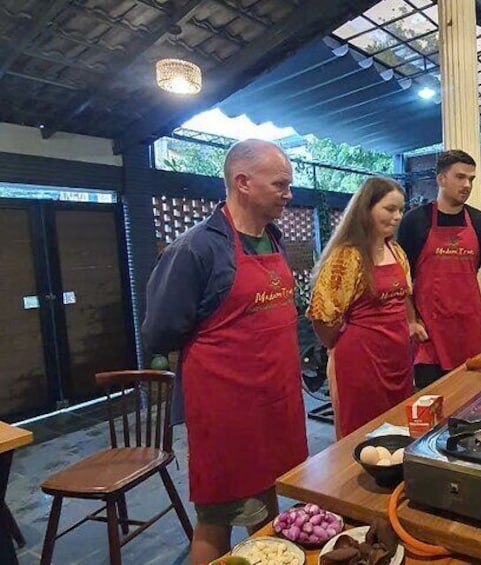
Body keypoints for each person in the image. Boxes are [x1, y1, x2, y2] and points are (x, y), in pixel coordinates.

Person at [142, 139, 308, 564]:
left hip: (278, 401)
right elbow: (159, 332)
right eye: (281, 184)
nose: (289, 194)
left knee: (266, 507)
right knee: (218, 520)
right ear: (243, 182)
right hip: (229, 412)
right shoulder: (195, 248)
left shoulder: (273, 238)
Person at [308, 177, 414, 438]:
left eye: (400, 209)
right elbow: (323, 318)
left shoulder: (396, 250)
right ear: (366, 209)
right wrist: (340, 345)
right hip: (362, 361)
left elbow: (404, 297)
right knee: (363, 434)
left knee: (397, 429)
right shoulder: (347, 256)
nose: (397, 216)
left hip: (398, 358)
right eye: (389, 209)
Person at [397, 149, 481, 389]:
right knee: (433, 406)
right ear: (441, 179)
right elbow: (401, 277)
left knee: (475, 402)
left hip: (471, 331)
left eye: (471, 179)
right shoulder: (415, 222)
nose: (467, 184)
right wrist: (411, 320)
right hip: (429, 336)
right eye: (460, 177)